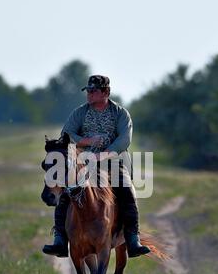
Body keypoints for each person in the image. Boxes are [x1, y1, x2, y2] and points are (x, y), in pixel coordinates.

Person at [42, 75, 150, 258]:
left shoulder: (120, 114)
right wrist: (87, 141)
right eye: (88, 91)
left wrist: (101, 155)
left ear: (106, 92)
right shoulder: (80, 113)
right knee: (65, 192)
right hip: (83, 163)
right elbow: (66, 135)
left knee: (127, 192)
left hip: (115, 164)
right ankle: (60, 239)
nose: (89, 95)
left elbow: (124, 140)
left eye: (93, 91)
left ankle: (132, 239)